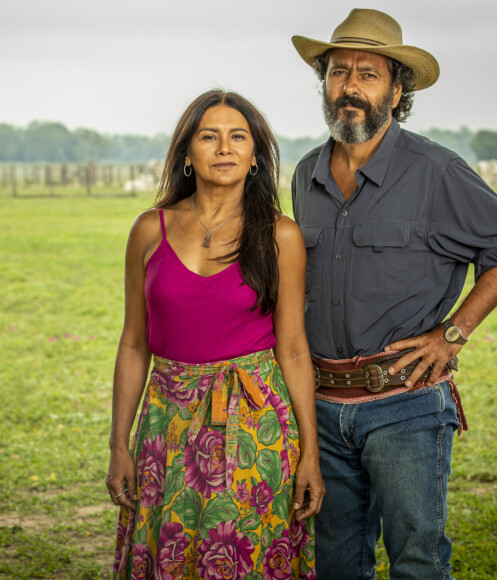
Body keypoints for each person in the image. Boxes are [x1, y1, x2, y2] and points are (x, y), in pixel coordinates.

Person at [291, 9, 497, 580]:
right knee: (335, 565)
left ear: (397, 90)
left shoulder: (436, 170)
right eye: (338, 72)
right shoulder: (306, 174)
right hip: (323, 406)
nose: (349, 87)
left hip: (405, 405)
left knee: (417, 563)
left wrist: (452, 333)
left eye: (368, 74)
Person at [105, 89, 324, 579]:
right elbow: (134, 343)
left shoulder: (279, 234)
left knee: (242, 557)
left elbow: (291, 348)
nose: (224, 147)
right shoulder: (149, 229)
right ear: (187, 153)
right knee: (168, 553)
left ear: (253, 157)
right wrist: (119, 443)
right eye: (209, 136)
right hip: (166, 426)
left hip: (255, 429)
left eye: (237, 137)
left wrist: (310, 453)